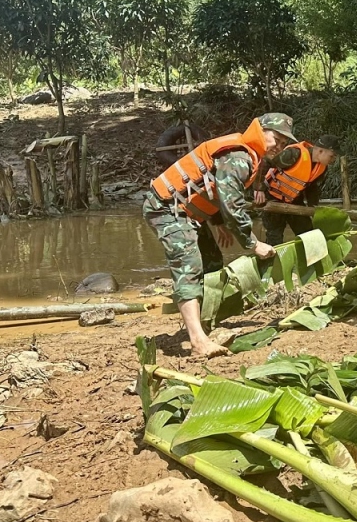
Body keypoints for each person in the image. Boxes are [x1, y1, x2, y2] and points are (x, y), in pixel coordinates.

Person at [143, 113, 296, 357]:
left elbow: (208, 186)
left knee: (212, 262)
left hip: (188, 211)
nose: (278, 146)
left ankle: (204, 324)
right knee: (189, 265)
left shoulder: (247, 155)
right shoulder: (239, 156)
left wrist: (217, 222)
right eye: (275, 138)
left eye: (283, 143)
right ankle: (197, 341)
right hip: (166, 208)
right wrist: (252, 243)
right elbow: (231, 203)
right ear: (261, 130)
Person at [254, 135, 340, 242]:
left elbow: (312, 189)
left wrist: (313, 208)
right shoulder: (293, 154)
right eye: (331, 156)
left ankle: (309, 258)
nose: (333, 160)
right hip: (272, 197)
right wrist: (259, 189)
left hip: (294, 200)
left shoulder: (322, 168)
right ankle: (270, 257)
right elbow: (265, 163)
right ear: (321, 151)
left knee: (309, 235)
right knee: (274, 237)